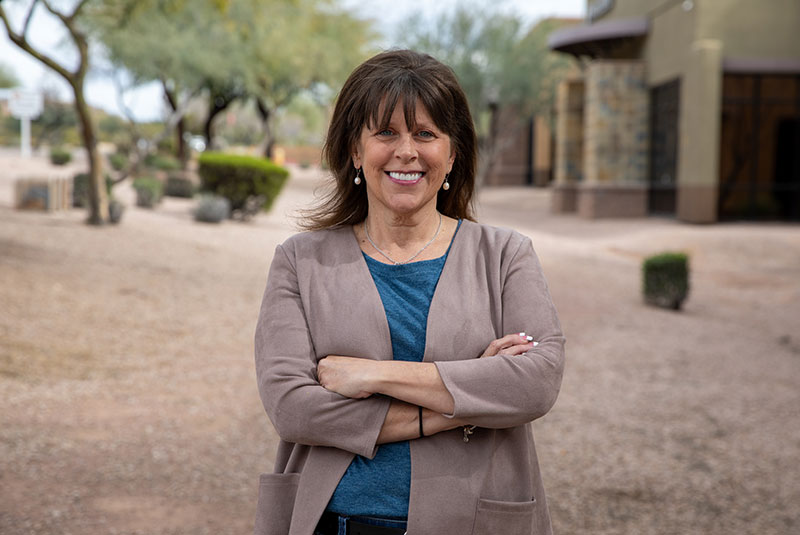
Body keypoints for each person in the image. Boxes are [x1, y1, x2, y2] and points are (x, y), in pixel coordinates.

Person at [254, 49, 565, 535]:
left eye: (425, 133)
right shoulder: (300, 261)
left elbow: (537, 381)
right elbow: (293, 409)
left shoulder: (506, 255)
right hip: (333, 522)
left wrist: (373, 376)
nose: (406, 151)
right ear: (355, 151)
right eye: (386, 132)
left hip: (472, 522)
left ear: (453, 151)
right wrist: (467, 402)